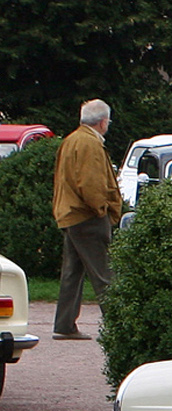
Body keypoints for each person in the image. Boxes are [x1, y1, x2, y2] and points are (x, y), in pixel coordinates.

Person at [51, 100, 120, 340]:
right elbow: (91, 184)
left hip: (70, 214)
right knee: (104, 274)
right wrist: (102, 209)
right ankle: (119, 326)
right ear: (102, 122)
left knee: (72, 272)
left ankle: (64, 325)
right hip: (87, 216)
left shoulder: (71, 140)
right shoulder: (90, 144)